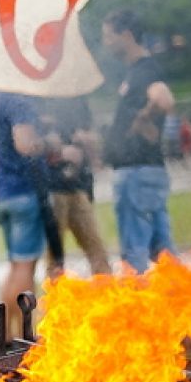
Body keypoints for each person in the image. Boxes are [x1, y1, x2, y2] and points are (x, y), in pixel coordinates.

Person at [0, 83, 62, 340]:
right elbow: (24, 143)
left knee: (14, 264)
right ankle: (23, 333)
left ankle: (8, 334)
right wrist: (47, 143)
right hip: (22, 189)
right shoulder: (15, 95)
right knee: (24, 266)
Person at [101, 9, 177, 273]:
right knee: (164, 253)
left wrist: (144, 118)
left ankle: (134, 308)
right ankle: (179, 305)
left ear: (127, 35)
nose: (106, 43)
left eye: (109, 36)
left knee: (135, 255)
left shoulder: (145, 70)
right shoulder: (138, 70)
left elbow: (164, 99)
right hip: (147, 171)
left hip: (136, 173)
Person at [34, 96, 112, 277]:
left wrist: (88, 142)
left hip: (77, 185)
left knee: (96, 248)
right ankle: (55, 299)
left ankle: (107, 294)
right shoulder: (37, 98)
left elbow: (89, 133)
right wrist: (60, 152)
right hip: (52, 187)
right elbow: (29, 144)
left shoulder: (77, 99)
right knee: (55, 255)